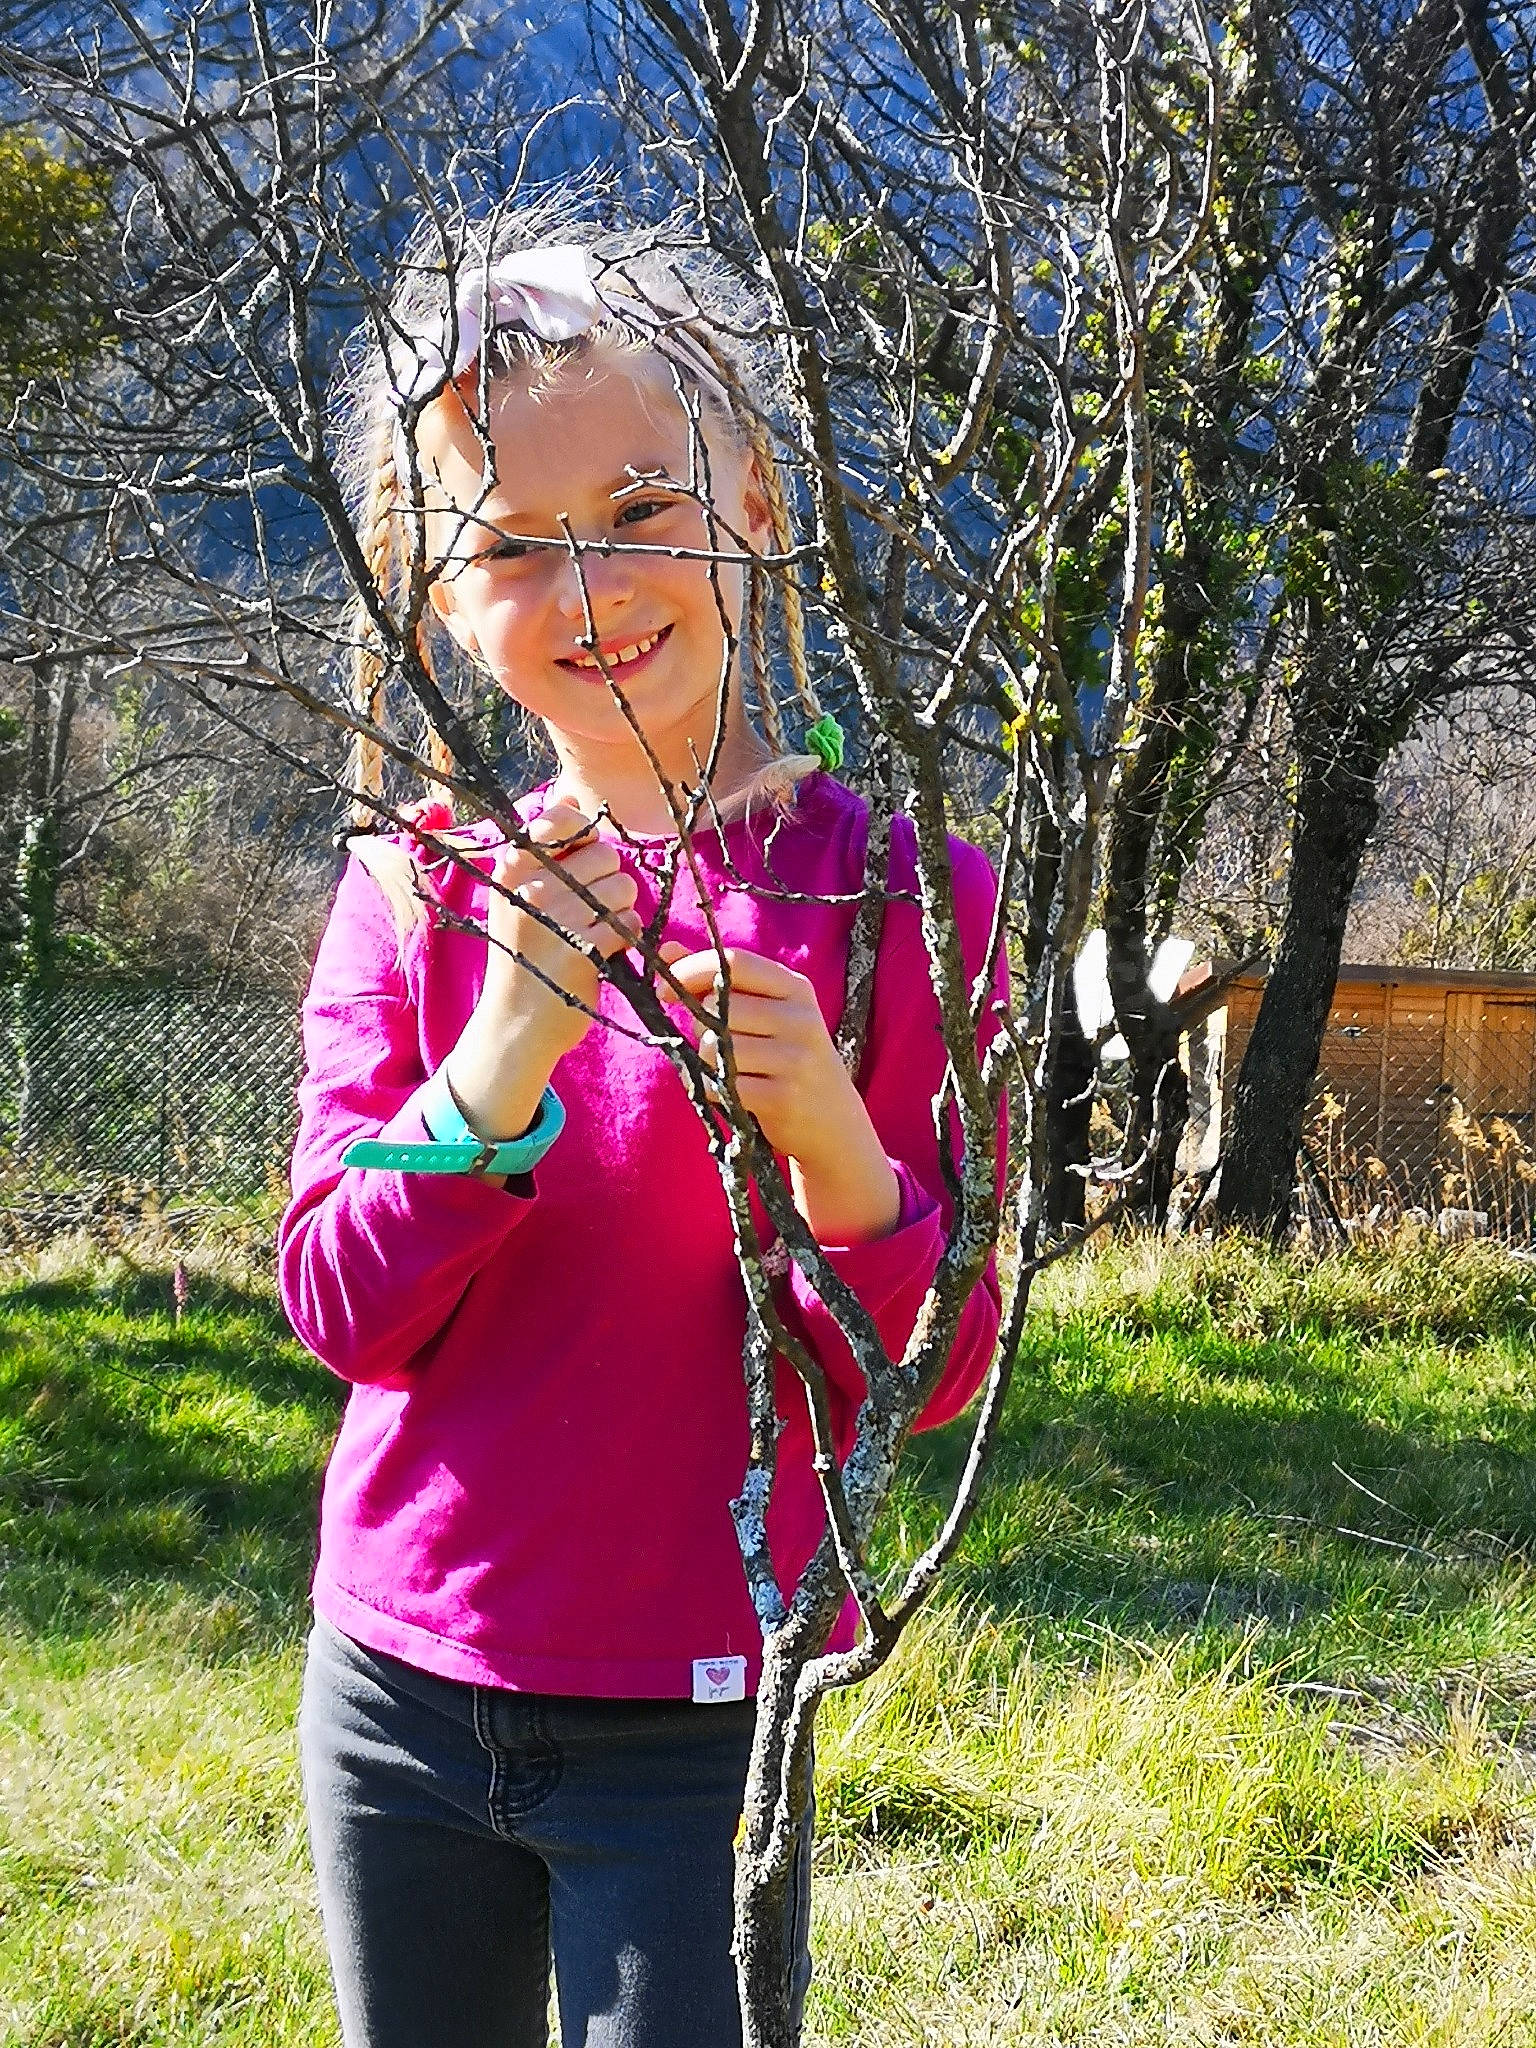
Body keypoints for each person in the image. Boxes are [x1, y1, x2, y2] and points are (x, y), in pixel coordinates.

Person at [279, 202, 1007, 2048]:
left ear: (755, 493)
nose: (589, 591)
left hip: (700, 1720)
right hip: (396, 1689)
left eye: (633, 513)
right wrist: (497, 1059)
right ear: (434, 590)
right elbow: (342, 1307)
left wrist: (836, 1137)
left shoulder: (911, 903)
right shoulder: (419, 895)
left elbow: (936, 1369)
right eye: (511, 546)